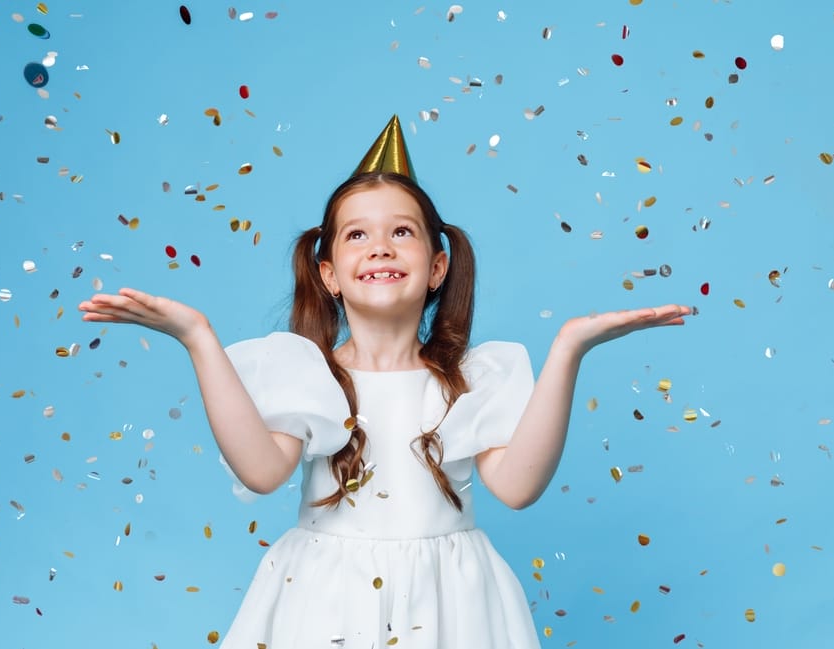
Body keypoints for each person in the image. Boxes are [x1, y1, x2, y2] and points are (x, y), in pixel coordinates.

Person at [78, 115, 690, 648]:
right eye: (356, 235)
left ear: (437, 267)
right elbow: (261, 471)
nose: (380, 247)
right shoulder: (305, 371)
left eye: (402, 232)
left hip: (451, 603)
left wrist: (568, 351)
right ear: (330, 274)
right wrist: (198, 338)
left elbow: (519, 486)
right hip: (324, 598)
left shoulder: (473, 378)